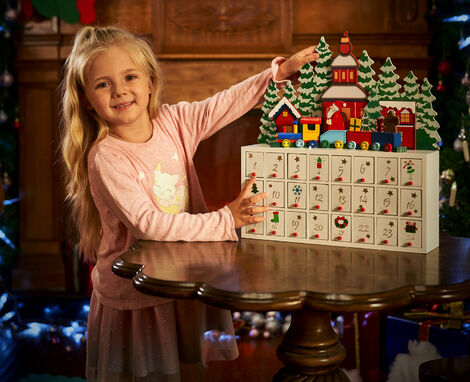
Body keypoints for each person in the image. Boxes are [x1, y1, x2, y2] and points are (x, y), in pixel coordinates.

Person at [59, 26, 319, 382]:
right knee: (146, 375)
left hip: (181, 276)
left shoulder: (173, 122)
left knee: (187, 367)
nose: (119, 90)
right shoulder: (107, 156)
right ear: (87, 99)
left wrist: (274, 76)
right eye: (103, 84)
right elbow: (149, 225)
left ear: (150, 82)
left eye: (130, 76)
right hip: (135, 293)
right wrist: (226, 220)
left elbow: (224, 103)